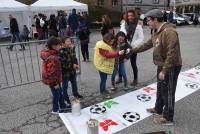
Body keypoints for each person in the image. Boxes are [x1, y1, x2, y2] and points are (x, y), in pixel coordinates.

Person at [131, 9, 182, 125]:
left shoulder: (169, 32)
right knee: (160, 88)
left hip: (171, 66)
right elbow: (146, 45)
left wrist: (164, 70)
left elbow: (172, 53)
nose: (147, 23)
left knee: (168, 91)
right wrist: (132, 51)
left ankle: (168, 118)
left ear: (155, 20)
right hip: (162, 64)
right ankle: (158, 109)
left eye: (148, 20)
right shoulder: (156, 31)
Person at [40, 37, 69, 114]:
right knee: (56, 94)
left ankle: (63, 106)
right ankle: (55, 109)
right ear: (54, 46)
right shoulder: (53, 57)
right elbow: (51, 72)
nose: (60, 46)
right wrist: (55, 83)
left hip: (55, 79)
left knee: (59, 92)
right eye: (59, 45)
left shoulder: (51, 53)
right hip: (53, 80)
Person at [94, 33, 124, 99]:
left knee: (104, 79)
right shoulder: (102, 46)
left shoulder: (104, 44)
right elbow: (107, 55)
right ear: (107, 40)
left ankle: (104, 90)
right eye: (111, 41)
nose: (112, 42)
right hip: (101, 65)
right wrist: (118, 53)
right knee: (103, 80)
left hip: (102, 65)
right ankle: (102, 92)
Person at [120, 10, 144, 86]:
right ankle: (120, 77)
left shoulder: (138, 26)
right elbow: (120, 34)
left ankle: (135, 79)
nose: (130, 17)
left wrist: (132, 45)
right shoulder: (124, 24)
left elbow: (141, 38)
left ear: (134, 16)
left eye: (131, 15)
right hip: (123, 47)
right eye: (128, 15)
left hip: (133, 48)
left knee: (133, 64)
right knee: (120, 62)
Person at [59, 37, 83, 105]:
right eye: (67, 41)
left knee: (74, 83)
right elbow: (63, 63)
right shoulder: (61, 51)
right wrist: (72, 65)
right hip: (65, 72)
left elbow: (74, 57)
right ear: (63, 43)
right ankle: (66, 98)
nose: (70, 42)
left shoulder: (72, 48)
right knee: (65, 86)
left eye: (70, 41)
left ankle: (75, 94)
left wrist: (76, 64)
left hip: (72, 71)